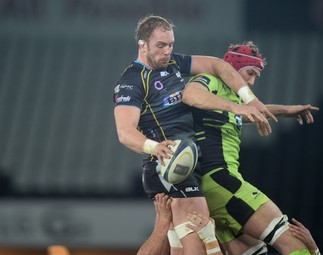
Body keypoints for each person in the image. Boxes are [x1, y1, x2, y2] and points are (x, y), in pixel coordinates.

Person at [113, 16, 276, 255]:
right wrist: (155, 148)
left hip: (190, 161)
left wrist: (250, 100)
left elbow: (218, 65)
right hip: (171, 164)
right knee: (201, 242)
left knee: (188, 247)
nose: (167, 51)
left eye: (171, 44)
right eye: (161, 45)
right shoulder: (132, 81)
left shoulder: (173, 64)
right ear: (142, 45)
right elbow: (125, 132)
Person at [181, 41, 319, 255]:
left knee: (255, 252)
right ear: (233, 67)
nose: (252, 82)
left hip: (214, 187)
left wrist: (287, 110)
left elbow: (245, 112)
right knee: (295, 244)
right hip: (221, 180)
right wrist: (236, 107)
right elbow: (190, 94)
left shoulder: (231, 97)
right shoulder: (212, 81)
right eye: (251, 73)